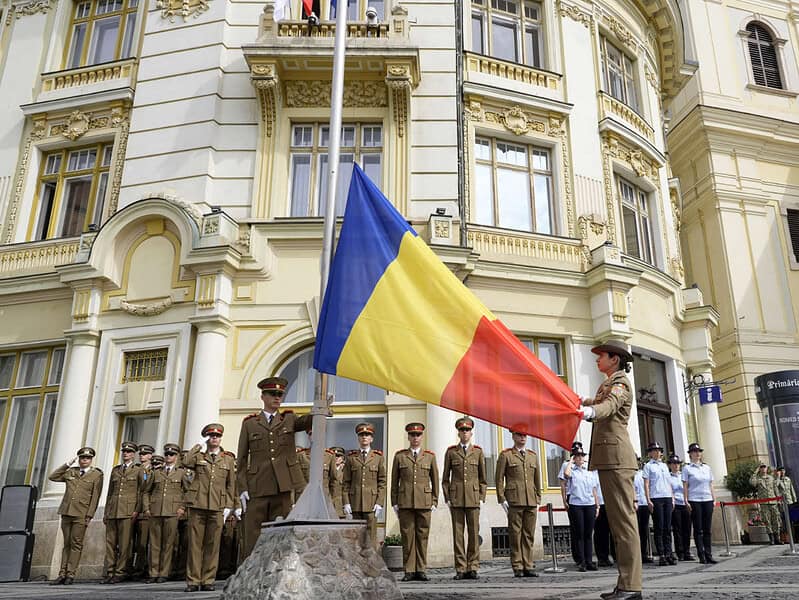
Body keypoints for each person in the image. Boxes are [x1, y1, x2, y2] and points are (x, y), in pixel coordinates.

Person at [580, 339, 642, 600]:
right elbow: (597, 400)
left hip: (617, 460)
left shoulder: (621, 383)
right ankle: (625, 583)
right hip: (610, 460)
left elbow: (609, 406)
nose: (597, 360)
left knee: (625, 525)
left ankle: (631, 586)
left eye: (601, 356)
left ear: (614, 359)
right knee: (618, 525)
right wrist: (581, 401)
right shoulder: (608, 383)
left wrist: (589, 412)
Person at [237, 376, 313, 559]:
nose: (277, 398)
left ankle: (277, 570)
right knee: (253, 534)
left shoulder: (289, 419)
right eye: (272, 394)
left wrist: (320, 409)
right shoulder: (250, 423)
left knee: (281, 533)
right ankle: (252, 573)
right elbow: (241, 459)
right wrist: (242, 489)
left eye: (280, 394)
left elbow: (308, 421)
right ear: (263, 396)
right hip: (258, 485)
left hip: (283, 484)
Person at [183, 423, 237, 592]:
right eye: (211, 436)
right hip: (198, 504)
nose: (215, 438)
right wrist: (198, 445)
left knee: (212, 545)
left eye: (217, 436)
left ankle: (208, 580)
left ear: (221, 438)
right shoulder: (199, 457)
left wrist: (230, 506)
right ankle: (193, 581)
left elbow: (231, 485)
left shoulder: (227, 459)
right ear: (207, 438)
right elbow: (185, 461)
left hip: (217, 506)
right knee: (195, 545)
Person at [390, 422, 439, 581]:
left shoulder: (430, 456)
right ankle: (409, 570)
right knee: (407, 536)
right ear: (408, 437)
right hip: (405, 501)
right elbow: (394, 481)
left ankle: (421, 569)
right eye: (412, 435)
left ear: (422, 436)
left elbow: (435, 480)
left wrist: (434, 500)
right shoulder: (400, 456)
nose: (415, 438)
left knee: (422, 537)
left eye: (418, 435)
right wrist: (394, 502)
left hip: (424, 502)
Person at [48, 447, 103, 585]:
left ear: (91, 460)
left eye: (87, 458)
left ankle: (71, 574)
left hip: (81, 513)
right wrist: (67, 464)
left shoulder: (96, 475)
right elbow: (53, 476)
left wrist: (89, 515)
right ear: (78, 459)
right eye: (82, 458)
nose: (85, 460)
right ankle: (62, 573)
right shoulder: (71, 471)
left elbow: (95, 496)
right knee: (66, 544)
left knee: (76, 544)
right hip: (67, 511)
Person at [442, 416, 487, 580]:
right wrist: (447, 497)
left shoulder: (478, 452)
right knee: (458, 535)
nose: (465, 433)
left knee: (474, 534)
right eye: (462, 430)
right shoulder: (451, 452)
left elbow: (483, 478)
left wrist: (481, 496)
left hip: (473, 498)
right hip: (456, 498)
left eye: (467, 430)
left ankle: (473, 566)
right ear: (458, 433)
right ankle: (461, 568)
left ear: (471, 433)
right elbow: (445, 478)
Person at [495, 428, 541, 577]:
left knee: (529, 534)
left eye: (525, 435)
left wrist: (538, 497)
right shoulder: (506, 455)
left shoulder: (532, 456)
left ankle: (528, 564)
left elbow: (536, 478)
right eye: (519, 435)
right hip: (514, 499)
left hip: (530, 499)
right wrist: (502, 498)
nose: (522, 437)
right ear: (513, 436)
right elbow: (499, 478)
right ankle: (517, 565)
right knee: (515, 534)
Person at [103, 441, 146, 584]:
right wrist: (106, 512)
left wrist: (136, 510)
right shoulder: (115, 470)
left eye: (128, 452)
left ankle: (120, 572)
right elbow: (110, 492)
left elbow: (141, 491)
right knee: (110, 543)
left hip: (127, 511)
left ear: (133, 454)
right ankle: (110, 571)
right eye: (124, 452)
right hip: (113, 510)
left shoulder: (139, 470)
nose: (125, 454)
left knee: (124, 544)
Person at [143, 443, 186, 583]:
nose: (169, 457)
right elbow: (146, 491)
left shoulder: (181, 472)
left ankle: (164, 572)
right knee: (155, 544)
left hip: (172, 512)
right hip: (156, 511)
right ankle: (153, 572)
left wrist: (182, 508)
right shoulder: (156, 472)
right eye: (167, 454)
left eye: (172, 454)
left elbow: (188, 491)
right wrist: (147, 508)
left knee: (168, 544)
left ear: (177, 456)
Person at [343, 422, 386, 548]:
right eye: (362, 435)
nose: (364, 437)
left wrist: (379, 502)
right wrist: (346, 502)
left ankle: (372, 565)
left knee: (371, 538)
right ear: (358, 438)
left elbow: (382, 482)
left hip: (372, 503)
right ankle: (358, 565)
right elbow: (346, 482)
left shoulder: (378, 458)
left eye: (367, 435)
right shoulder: (352, 458)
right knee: (356, 538)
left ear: (371, 438)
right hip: (355, 502)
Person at [563, 448, 599, 572]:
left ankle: (589, 561)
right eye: (577, 456)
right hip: (576, 504)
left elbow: (594, 490)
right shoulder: (572, 470)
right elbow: (566, 474)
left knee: (588, 534)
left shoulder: (589, 472)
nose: (580, 458)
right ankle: (581, 561)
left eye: (581, 456)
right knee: (579, 533)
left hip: (589, 504)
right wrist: (570, 461)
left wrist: (597, 505)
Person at [682, 442, 716, 563]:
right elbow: (685, 485)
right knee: (698, 528)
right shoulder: (687, 468)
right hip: (695, 499)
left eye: (699, 452)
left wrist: (714, 498)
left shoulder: (706, 468)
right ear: (690, 454)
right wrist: (686, 500)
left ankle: (709, 554)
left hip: (707, 498)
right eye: (695, 452)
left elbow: (711, 484)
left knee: (707, 529)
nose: (697, 454)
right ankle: (701, 554)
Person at [642, 441, 675, 566]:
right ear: (650, 453)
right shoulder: (648, 466)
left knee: (667, 527)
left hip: (666, 496)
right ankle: (661, 554)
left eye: (658, 450)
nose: (657, 452)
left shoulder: (664, 466)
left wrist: (672, 497)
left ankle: (668, 553)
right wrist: (648, 499)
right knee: (659, 527)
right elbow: (646, 484)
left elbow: (669, 483)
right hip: (656, 497)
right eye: (654, 450)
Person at [131, 444, 155, 579]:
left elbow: (146, 490)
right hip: (134, 509)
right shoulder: (136, 469)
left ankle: (143, 568)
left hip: (146, 510)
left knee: (144, 542)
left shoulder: (153, 470)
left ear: (150, 456)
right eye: (140, 454)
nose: (142, 456)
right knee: (136, 542)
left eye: (145, 454)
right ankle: (136, 568)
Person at [560, 441, 584, 564]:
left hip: (584, 497)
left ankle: (586, 555)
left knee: (585, 529)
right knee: (576, 528)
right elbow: (563, 484)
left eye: (579, 452)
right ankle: (578, 557)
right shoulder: (566, 465)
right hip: (572, 497)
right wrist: (564, 500)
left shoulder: (584, 465)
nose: (578, 456)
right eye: (575, 453)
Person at [667, 454, 693, 561]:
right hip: (676, 504)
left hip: (685, 503)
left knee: (687, 529)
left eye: (677, 463)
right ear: (670, 465)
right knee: (678, 530)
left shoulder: (683, 476)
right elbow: (669, 490)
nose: (676, 465)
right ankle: (680, 552)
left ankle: (687, 551)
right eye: (673, 463)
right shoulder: (668, 477)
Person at [750, 462, 781, 544]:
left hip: (773, 502)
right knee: (767, 520)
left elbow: (775, 488)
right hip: (764, 503)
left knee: (776, 520)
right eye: (762, 467)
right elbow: (752, 483)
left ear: (767, 469)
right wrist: (755, 472)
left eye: (765, 467)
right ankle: (772, 539)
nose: (763, 468)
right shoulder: (758, 479)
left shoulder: (771, 478)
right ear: (760, 469)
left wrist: (778, 499)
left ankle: (777, 538)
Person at [594, 472, 615, 567]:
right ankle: (601, 557)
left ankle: (609, 555)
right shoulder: (593, 474)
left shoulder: (608, 472)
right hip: (599, 504)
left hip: (610, 503)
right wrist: (596, 505)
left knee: (610, 532)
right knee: (600, 532)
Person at [633, 461, 652, 564]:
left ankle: (644, 553)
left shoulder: (642, 474)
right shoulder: (630, 475)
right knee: (635, 530)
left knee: (644, 530)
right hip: (635, 504)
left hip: (644, 503)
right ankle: (636, 554)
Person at [775, 466, 796, 541]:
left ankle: (793, 537)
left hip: (789, 501)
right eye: (781, 471)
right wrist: (778, 477)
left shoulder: (787, 479)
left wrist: (794, 499)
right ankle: (788, 538)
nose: (783, 472)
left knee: (791, 519)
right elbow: (775, 486)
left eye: (783, 470)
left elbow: (791, 489)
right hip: (782, 503)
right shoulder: (777, 480)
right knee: (784, 520)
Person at [331, 447, 346, 518]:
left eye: (338, 456)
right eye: (334, 456)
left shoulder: (346, 471)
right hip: (328, 505)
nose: (336, 458)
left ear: (343, 458)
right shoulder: (325, 470)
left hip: (340, 506)